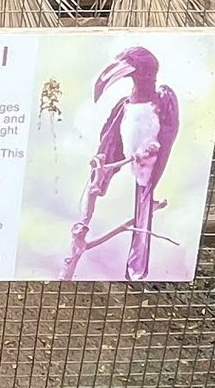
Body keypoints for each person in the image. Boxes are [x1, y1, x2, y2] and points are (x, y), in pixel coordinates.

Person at [64, 45, 179, 279]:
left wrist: (148, 155)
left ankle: (137, 265)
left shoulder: (163, 97)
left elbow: (163, 141)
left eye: (130, 63)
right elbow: (111, 142)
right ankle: (135, 266)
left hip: (151, 161)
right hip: (132, 159)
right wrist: (103, 167)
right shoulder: (125, 105)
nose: (123, 68)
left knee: (144, 204)